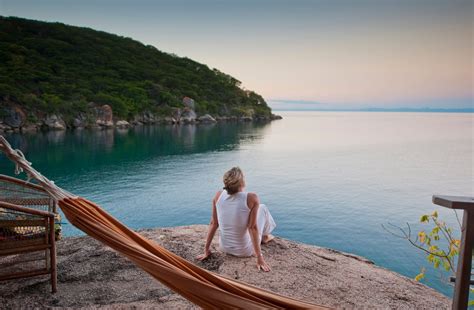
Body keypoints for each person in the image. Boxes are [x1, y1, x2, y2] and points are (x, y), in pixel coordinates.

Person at [197, 167, 276, 272]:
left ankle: (264, 237)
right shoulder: (251, 197)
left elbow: (213, 223)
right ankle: (265, 236)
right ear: (242, 181)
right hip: (245, 251)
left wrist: (206, 250)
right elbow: (252, 228)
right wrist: (259, 257)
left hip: (224, 247)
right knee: (262, 208)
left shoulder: (218, 195)